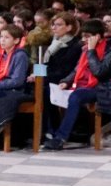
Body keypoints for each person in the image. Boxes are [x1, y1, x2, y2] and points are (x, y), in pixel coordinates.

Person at [46, 19, 108, 151]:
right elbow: (76, 69)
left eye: (88, 36)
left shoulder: (107, 50)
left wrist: (92, 51)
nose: (84, 39)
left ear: (98, 36)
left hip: (100, 88)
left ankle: (61, 138)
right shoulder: (85, 50)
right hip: (80, 85)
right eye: (83, 36)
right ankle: (52, 132)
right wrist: (65, 81)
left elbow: (99, 71)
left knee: (76, 96)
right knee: (50, 91)